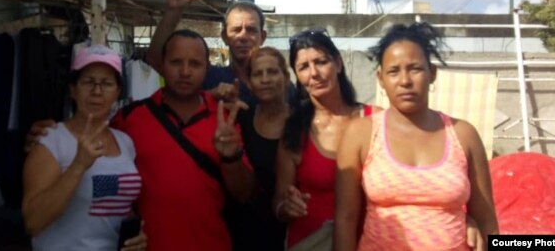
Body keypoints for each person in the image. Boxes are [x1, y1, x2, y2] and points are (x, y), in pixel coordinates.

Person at [334, 22, 498, 251]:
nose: (405, 81)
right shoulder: (361, 134)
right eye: (394, 71)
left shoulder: (464, 135)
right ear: (381, 79)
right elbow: (345, 219)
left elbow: (487, 221)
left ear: (432, 73)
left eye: (415, 69)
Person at [110, 29, 256, 250]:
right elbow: (100, 183)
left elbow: (245, 194)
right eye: (176, 62)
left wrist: (231, 157)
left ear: (207, 68)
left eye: (195, 64)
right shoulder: (130, 119)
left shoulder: (224, 120)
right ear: (162, 64)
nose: (185, 72)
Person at [22, 45, 146, 251]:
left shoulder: (125, 142)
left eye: (106, 83)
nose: (97, 91)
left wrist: (137, 234)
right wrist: (79, 165)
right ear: (73, 89)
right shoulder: (51, 142)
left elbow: (112, 201)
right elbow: (33, 222)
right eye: (88, 82)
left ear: (118, 92)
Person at [274, 28, 377, 250]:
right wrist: (286, 207)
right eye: (303, 67)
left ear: (338, 63)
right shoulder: (294, 131)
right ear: (297, 77)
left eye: (321, 62)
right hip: (312, 242)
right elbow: (279, 202)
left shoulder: (377, 121)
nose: (314, 73)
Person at [145, 0, 294, 106]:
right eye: (236, 30)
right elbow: (156, 59)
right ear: (224, 37)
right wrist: (174, 10)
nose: (243, 36)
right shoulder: (209, 77)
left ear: (262, 36)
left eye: (251, 30)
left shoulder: (282, 86)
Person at [226, 47, 290, 250]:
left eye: (272, 72)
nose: (265, 79)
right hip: (243, 232)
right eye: (257, 74)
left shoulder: (304, 120)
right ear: (248, 83)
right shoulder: (239, 119)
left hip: (291, 231)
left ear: (286, 78)